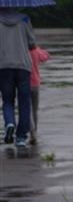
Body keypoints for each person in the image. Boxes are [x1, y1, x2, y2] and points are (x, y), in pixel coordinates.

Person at [0, 8, 35, 147]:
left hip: (3, 67)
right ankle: (20, 137)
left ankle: (9, 123)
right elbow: (32, 43)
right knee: (24, 102)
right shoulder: (25, 19)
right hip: (23, 67)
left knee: (7, 100)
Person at [28, 45, 50, 144]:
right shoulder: (35, 50)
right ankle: (35, 130)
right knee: (35, 110)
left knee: (27, 109)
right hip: (36, 84)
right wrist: (41, 49)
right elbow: (45, 56)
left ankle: (32, 131)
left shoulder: (22, 50)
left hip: (24, 84)